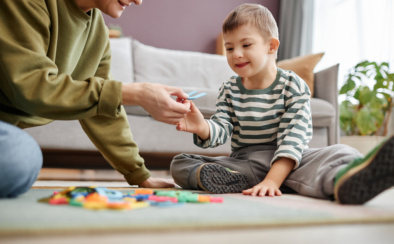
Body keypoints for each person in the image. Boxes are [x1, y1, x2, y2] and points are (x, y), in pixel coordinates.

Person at [170, 3, 394, 204]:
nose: (236, 54)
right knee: (180, 163)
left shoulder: (293, 85)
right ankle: (249, 181)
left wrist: (273, 180)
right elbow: (222, 127)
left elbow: (293, 138)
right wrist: (202, 127)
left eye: (246, 45)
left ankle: (346, 180)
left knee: (340, 151)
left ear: (271, 46)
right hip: (247, 161)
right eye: (229, 48)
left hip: (292, 159)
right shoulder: (229, 89)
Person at [0, 0, 191, 198]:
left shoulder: (98, 31)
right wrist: (135, 93)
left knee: (20, 156)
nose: (139, 1)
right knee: (20, 156)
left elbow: (102, 109)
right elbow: (33, 87)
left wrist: (139, 174)